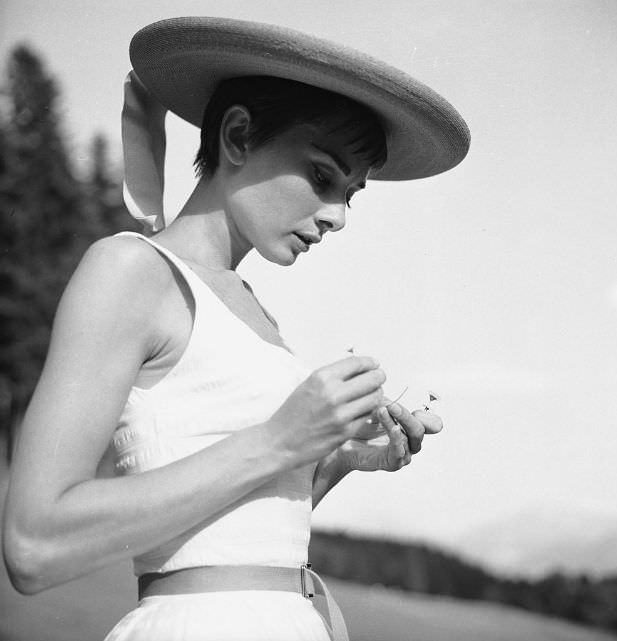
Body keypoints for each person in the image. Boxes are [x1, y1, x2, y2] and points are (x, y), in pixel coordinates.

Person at [2, 16, 469, 641]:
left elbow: (227, 545)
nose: (337, 216)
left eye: (352, 194)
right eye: (323, 175)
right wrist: (283, 438)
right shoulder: (130, 270)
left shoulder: (255, 312)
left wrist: (330, 461)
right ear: (239, 135)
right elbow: (35, 544)